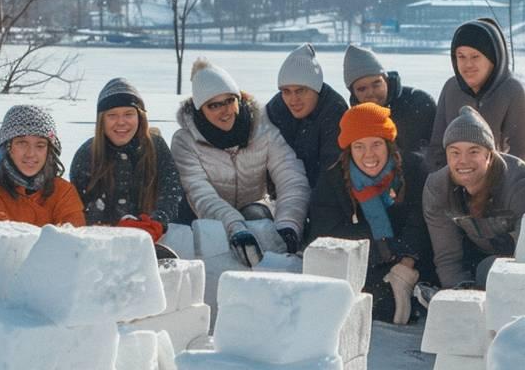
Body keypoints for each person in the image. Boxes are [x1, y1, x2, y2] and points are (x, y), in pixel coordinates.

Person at [170, 58, 310, 265]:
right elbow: (200, 194)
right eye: (214, 105)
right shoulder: (186, 141)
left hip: (252, 208)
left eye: (229, 100)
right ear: (200, 109)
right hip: (203, 216)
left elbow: (291, 177)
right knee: (207, 239)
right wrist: (234, 225)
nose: (225, 110)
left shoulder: (263, 129)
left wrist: (289, 225)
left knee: (256, 217)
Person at [307, 102, 433, 325]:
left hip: (413, 256)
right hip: (369, 261)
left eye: (376, 144)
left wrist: (406, 260)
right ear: (349, 149)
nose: (368, 155)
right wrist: (382, 248)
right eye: (359, 146)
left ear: (388, 144)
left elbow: (422, 220)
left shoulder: (414, 169)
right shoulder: (333, 180)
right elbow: (326, 232)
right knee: (381, 305)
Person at [423, 106, 525, 289]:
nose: (463, 160)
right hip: (473, 256)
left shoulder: (522, 184)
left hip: (514, 264)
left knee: (488, 268)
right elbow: (448, 257)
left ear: (489, 155)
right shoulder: (437, 187)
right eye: (455, 152)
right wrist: (460, 293)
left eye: (473, 151)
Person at [71, 77, 184, 242]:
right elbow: (81, 208)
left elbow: (171, 190)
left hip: (153, 237)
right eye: (112, 115)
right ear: (101, 120)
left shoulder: (156, 146)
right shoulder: (87, 154)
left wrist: (157, 221)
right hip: (101, 242)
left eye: (128, 114)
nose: (121, 122)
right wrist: (117, 229)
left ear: (140, 117)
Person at [427, 17, 525, 168]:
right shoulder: (451, 88)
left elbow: (524, 149)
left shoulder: (511, 90)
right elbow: (437, 147)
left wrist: (497, 181)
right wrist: (443, 180)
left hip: (498, 182)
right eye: (461, 57)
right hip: (453, 179)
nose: (468, 64)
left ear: (493, 59)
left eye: (475, 56)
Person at [0, 104, 85, 227]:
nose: (31, 153)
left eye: (40, 145)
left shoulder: (63, 193)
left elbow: (73, 241)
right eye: (22, 143)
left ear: (49, 150)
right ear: (8, 147)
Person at [265, 43, 348, 187]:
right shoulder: (276, 108)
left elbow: (332, 174)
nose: (293, 99)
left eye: (301, 91)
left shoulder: (334, 111)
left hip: (324, 192)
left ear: (316, 89)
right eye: (286, 91)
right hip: (287, 189)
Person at [342, 43, 436, 168]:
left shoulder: (419, 103)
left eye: (376, 84)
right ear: (353, 93)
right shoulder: (354, 121)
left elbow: (437, 152)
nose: (371, 93)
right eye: (362, 89)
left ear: (386, 80)